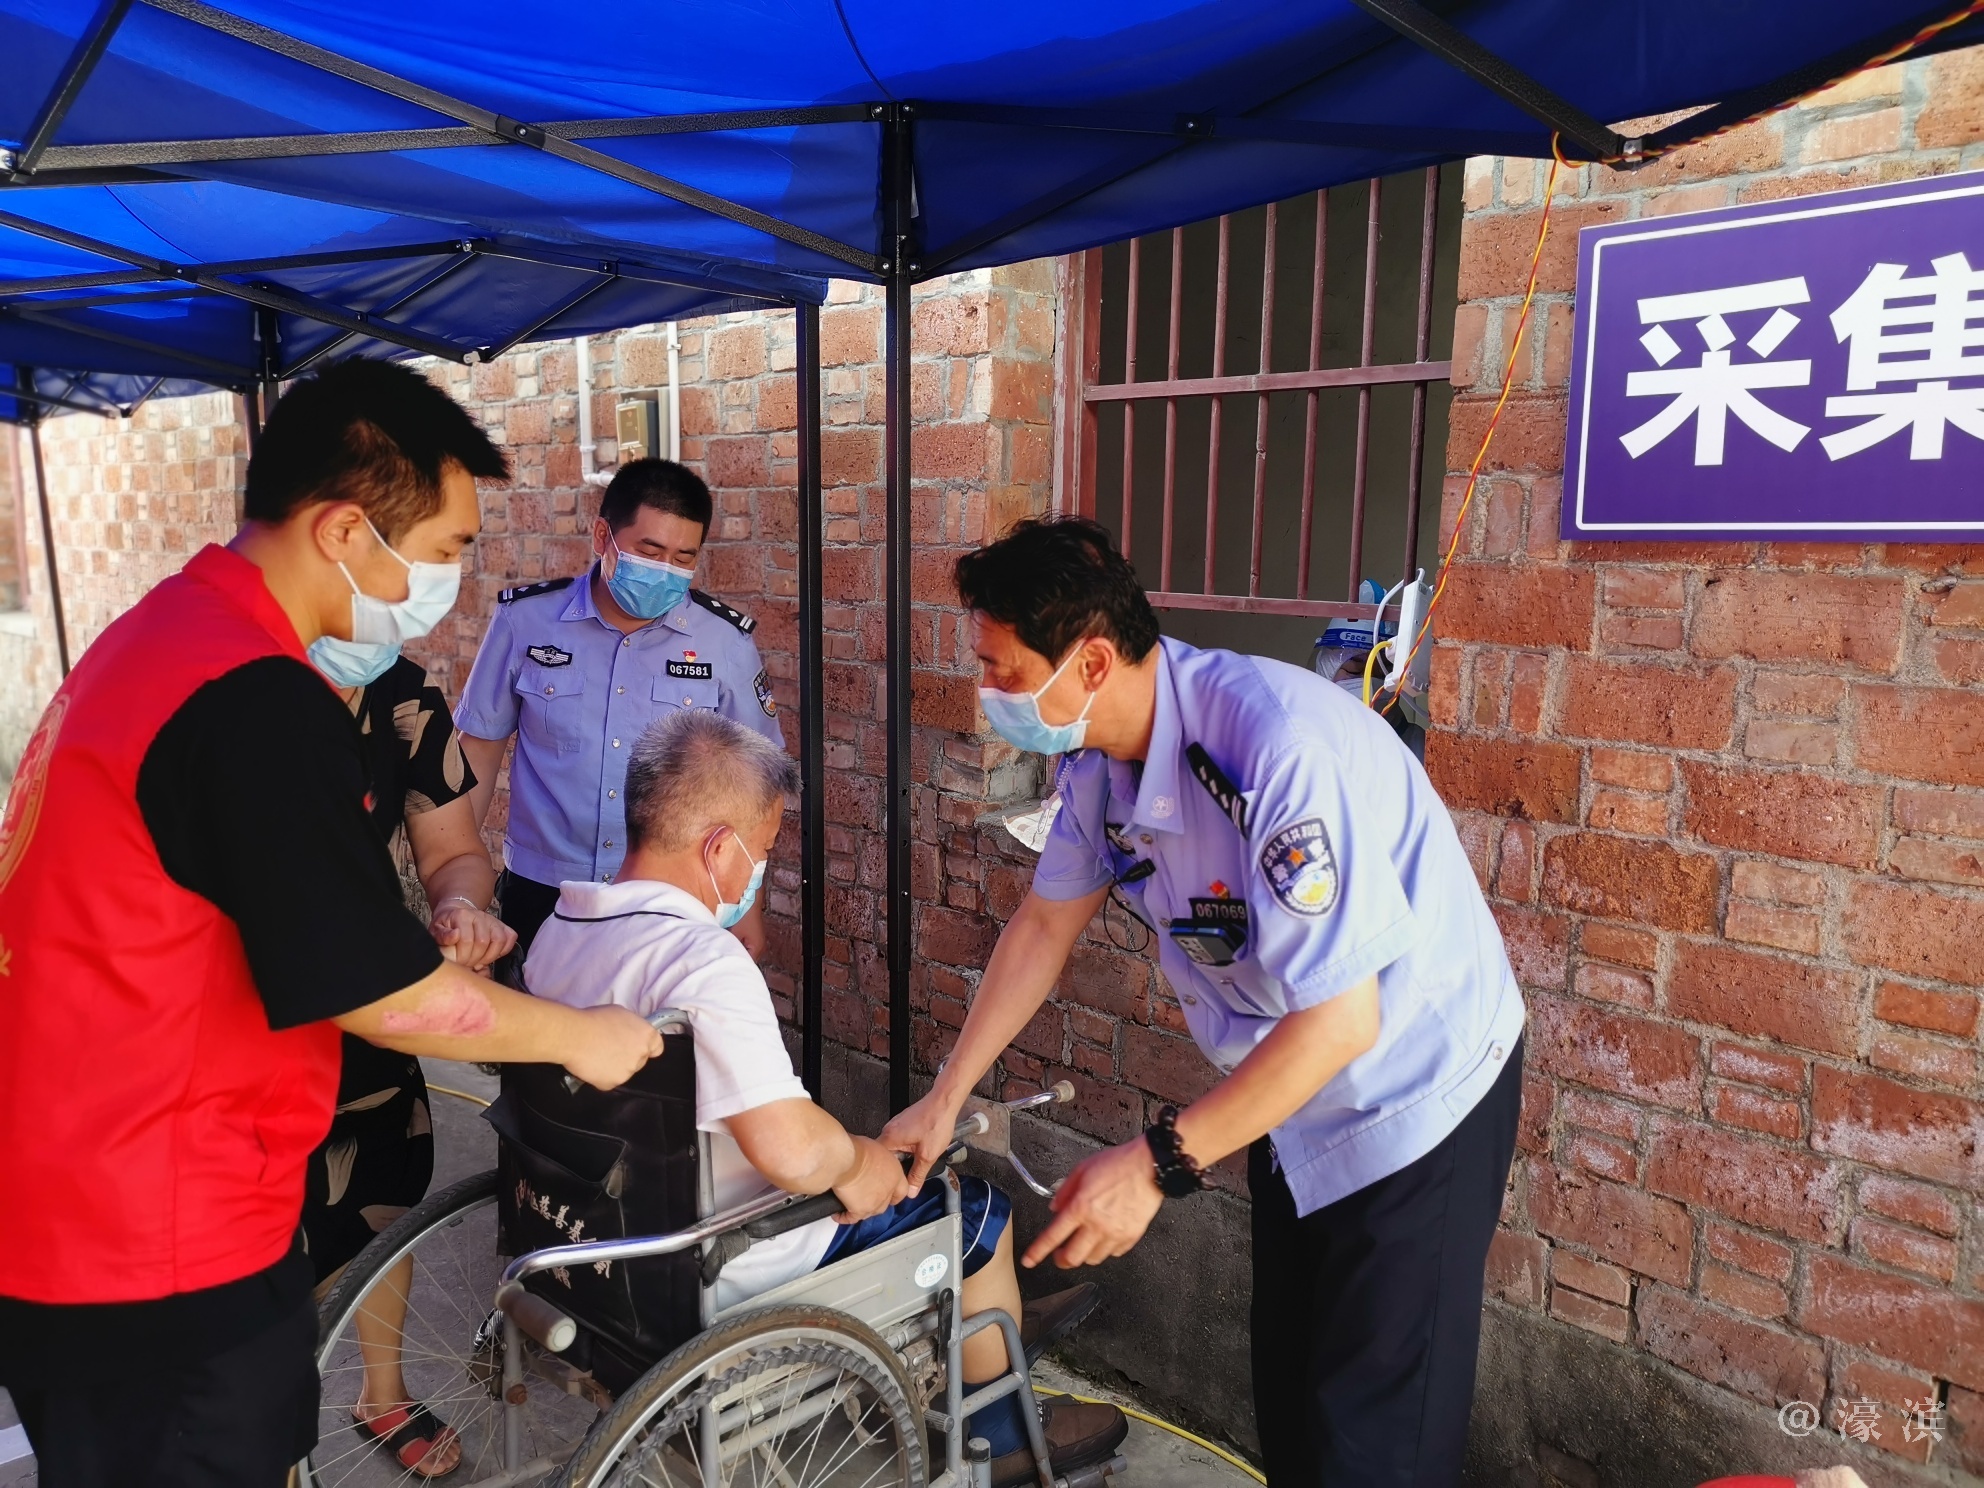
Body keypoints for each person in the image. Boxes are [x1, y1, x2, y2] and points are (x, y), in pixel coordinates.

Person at [0, 358, 662, 1488]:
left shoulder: (165, 639)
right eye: (447, 548)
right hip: (154, 1237)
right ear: (347, 530)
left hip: (87, 1195)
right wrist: (581, 1036)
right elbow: (381, 990)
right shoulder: (252, 696)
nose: (454, 577)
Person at [881, 516, 1526, 1488]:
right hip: (1288, 1090)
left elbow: (1344, 1020)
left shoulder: (1273, 749)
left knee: (1372, 1440)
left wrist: (1156, 1164)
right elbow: (1043, 927)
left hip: (1415, 1090)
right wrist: (947, 1096)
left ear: (1090, 663)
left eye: (1002, 671)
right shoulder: (1099, 764)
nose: (988, 694)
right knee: (1294, 1403)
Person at [526, 709, 1128, 1488]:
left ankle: (988, 1326)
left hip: (600, 1247)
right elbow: (792, 1152)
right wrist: (859, 1162)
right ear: (718, 848)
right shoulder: (700, 962)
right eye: (763, 850)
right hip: (724, 1264)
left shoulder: (562, 927)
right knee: (972, 1211)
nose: (759, 871)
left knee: (910, 1193)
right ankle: (1003, 1427)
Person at [300, 654, 519, 1478]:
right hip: (239, 1026)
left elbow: (454, 850)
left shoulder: (400, 695)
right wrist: (576, 1037)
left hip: (371, 1008)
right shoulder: (232, 691)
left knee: (379, 1192)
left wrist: (460, 906)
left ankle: (382, 1394)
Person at [454, 457, 782, 968]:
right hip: (545, 890)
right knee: (533, 1016)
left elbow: (755, 785)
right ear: (602, 535)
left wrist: (747, 904)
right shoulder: (526, 622)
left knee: (654, 1023)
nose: (665, 570)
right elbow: (477, 751)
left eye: (683, 558)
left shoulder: (725, 642)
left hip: (673, 898)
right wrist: (458, 878)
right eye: (650, 552)